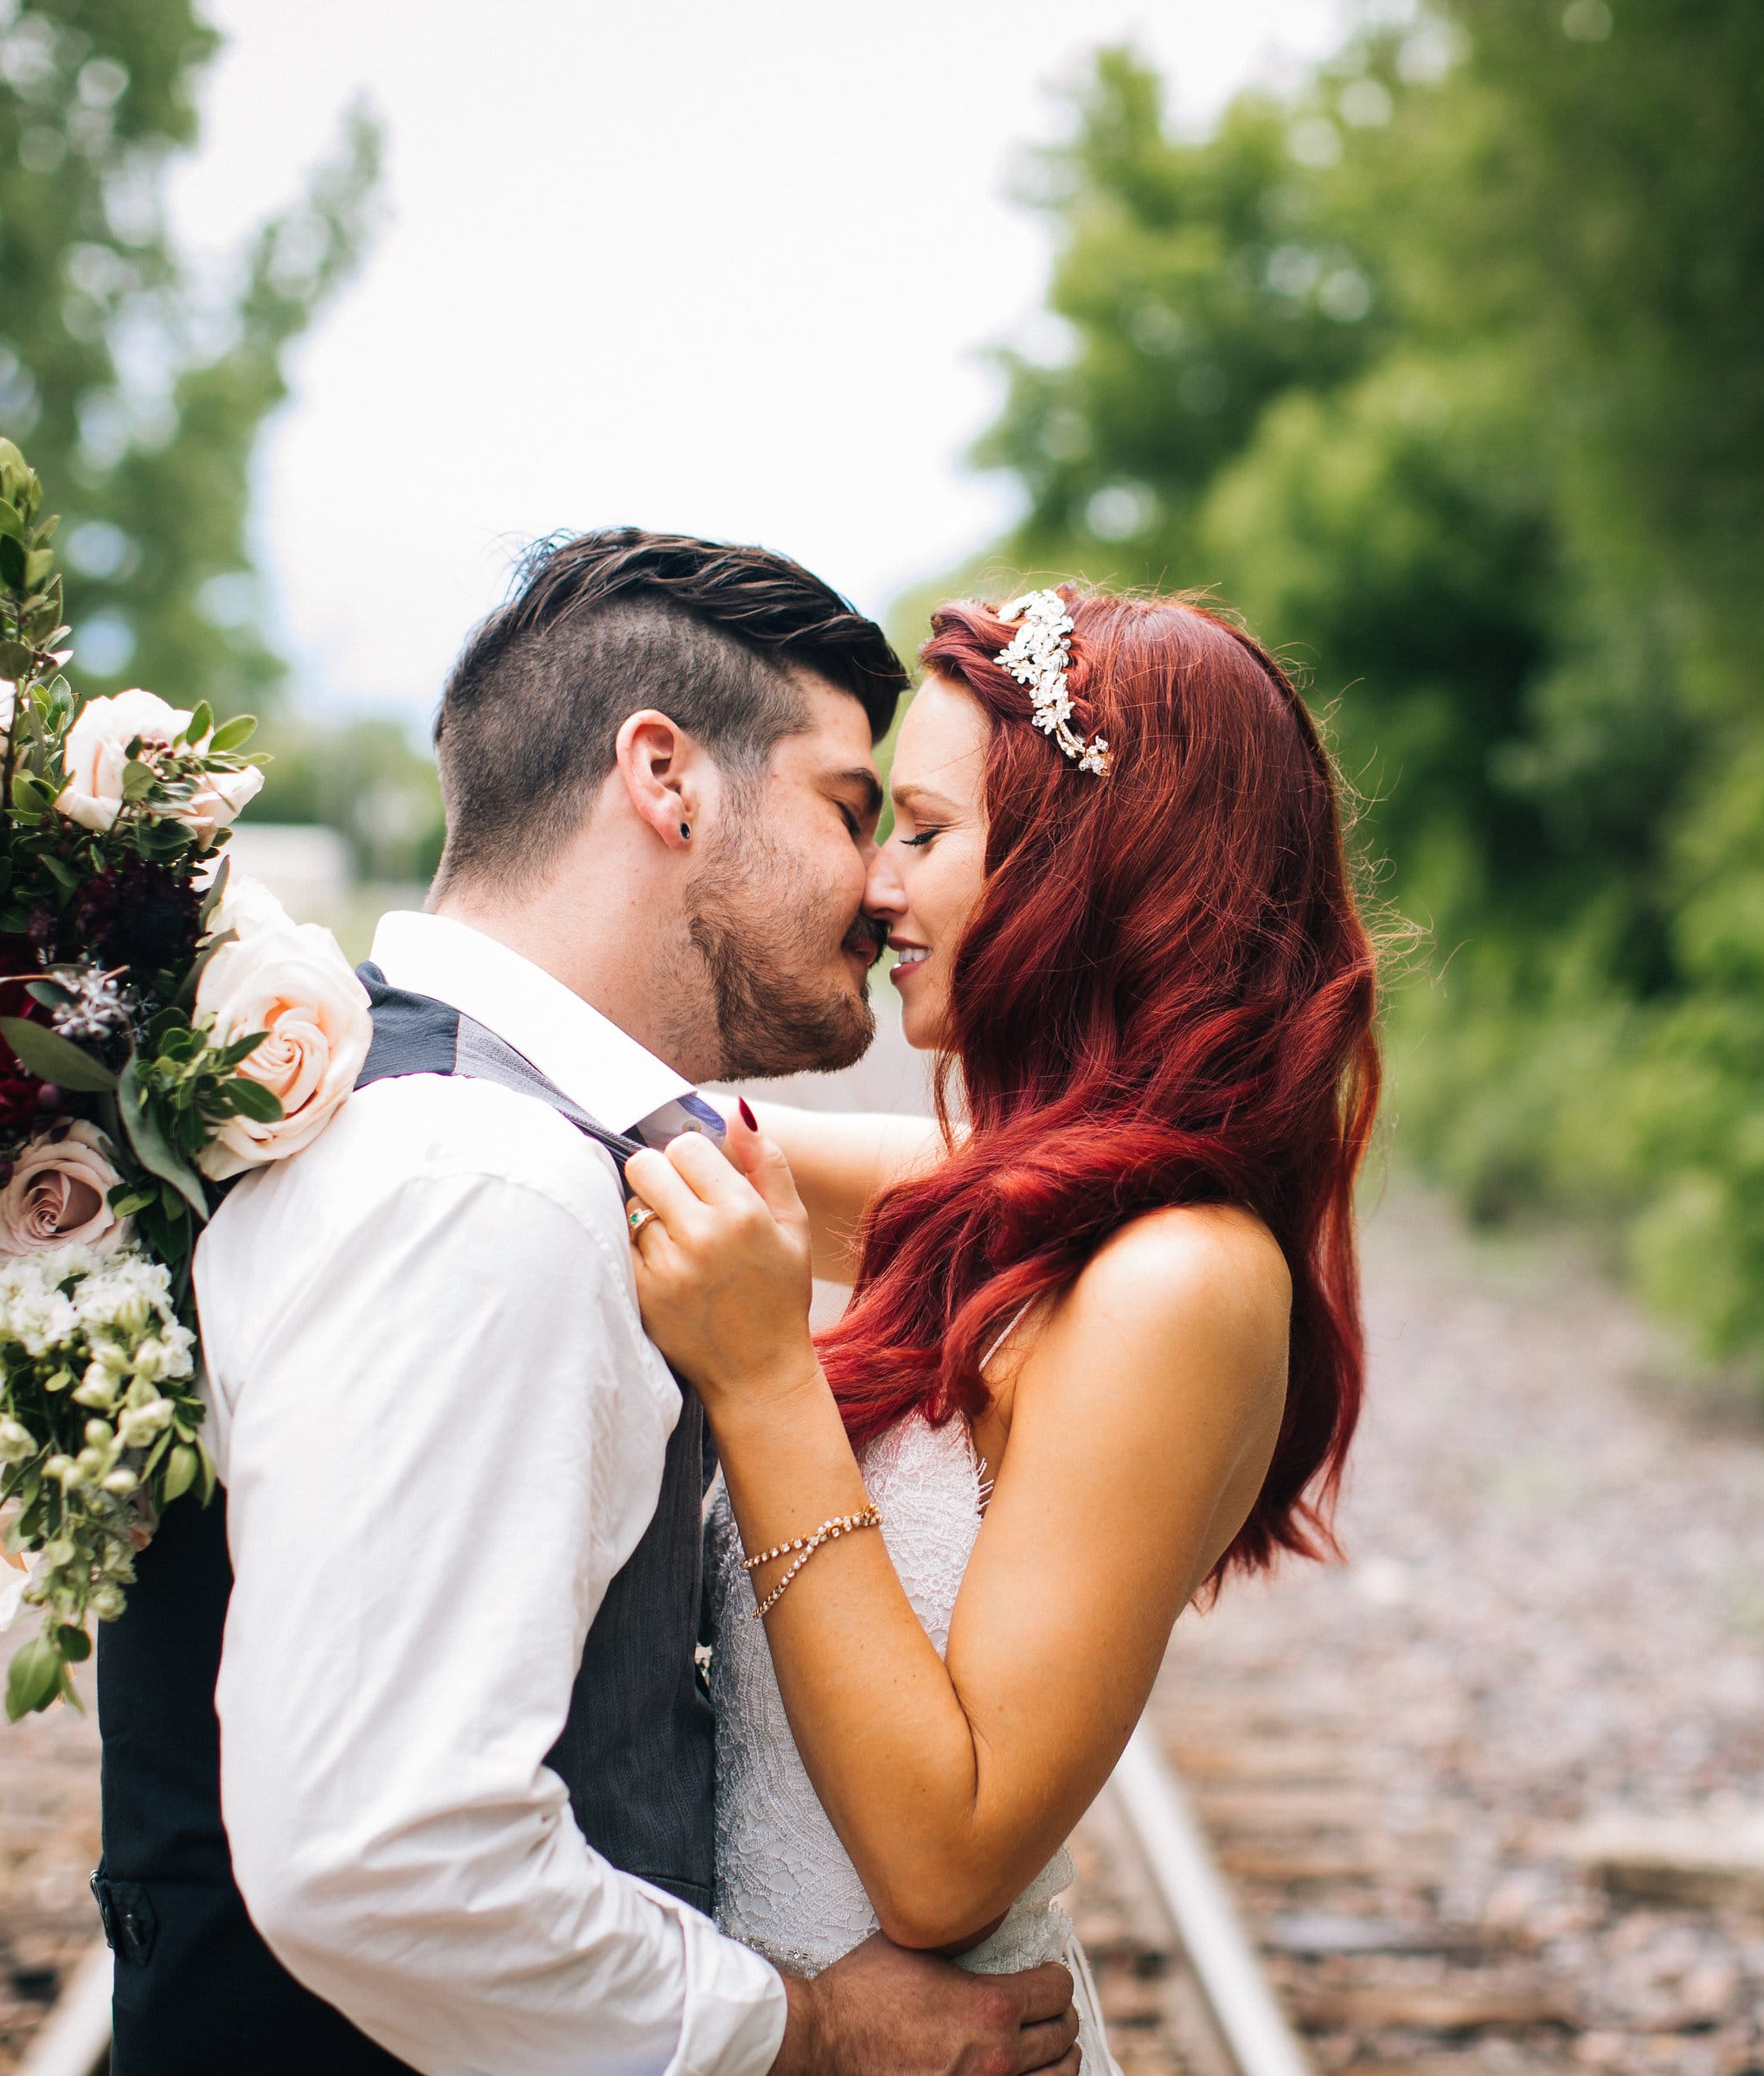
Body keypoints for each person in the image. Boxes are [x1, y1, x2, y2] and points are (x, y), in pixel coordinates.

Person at [93, 531, 1085, 2076]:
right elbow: (379, 1852)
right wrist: (810, 2034)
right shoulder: (480, 1186)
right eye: (847, 805)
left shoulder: (473, 1122)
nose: (882, 882)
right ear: (667, 779)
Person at [622, 587, 1383, 2073]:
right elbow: (655, 1137)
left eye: (920, 831)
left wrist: (768, 1376)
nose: (874, 890)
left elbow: (946, 1860)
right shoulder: (1026, 1207)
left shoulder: (1182, 1279)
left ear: (1088, 867)